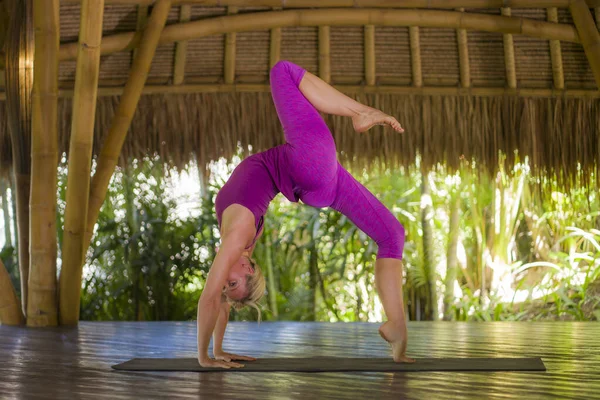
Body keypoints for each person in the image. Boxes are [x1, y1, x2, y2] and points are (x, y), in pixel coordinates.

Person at [197, 60, 414, 369]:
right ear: (246, 267)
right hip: (308, 164)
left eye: (225, 287)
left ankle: (397, 327)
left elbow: (218, 302)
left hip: (317, 185)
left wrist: (218, 351)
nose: (221, 283)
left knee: (392, 235)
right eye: (230, 284)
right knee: (281, 71)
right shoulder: (238, 237)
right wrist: (204, 357)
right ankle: (361, 111)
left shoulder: (239, 240)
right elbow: (209, 299)